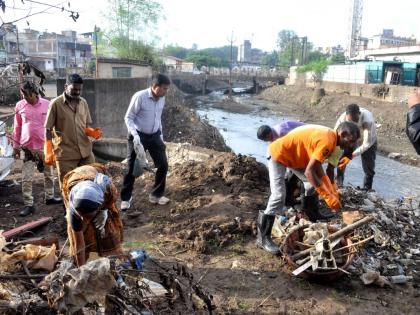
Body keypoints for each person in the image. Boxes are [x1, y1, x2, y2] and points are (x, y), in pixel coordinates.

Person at [257, 122, 360, 254]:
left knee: (311, 185)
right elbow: (310, 172)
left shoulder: (337, 144)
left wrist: (333, 191)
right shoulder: (327, 141)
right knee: (278, 195)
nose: (352, 145)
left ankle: (311, 213)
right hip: (278, 154)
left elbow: (323, 170)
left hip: (297, 158)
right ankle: (263, 238)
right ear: (343, 134)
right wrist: (327, 196)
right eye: (351, 141)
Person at [120, 74, 171, 210]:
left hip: (154, 136)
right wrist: (135, 135)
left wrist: (161, 136)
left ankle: (156, 195)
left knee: (163, 165)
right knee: (131, 168)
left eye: (167, 89)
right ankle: (125, 198)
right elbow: (128, 117)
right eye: (164, 89)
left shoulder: (161, 98)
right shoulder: (140, 97)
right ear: (155, 87)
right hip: (138, 136)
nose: (166, 92)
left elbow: (158, 118)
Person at [12, 81, 62, 216]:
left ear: (35, 93)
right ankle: (29, 204)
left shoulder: (47, 104)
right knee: (26, 177)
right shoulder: (20, 105)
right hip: (26, 147)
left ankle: (50, 197)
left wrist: (56, 144)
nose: (26, 98)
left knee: (49, 174)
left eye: (28, 95)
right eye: (24, 95)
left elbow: (54, 125)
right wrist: (15, 146)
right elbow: (17, 127)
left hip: (44, 146)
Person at [44, 74, 102, 189]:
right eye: (74, 89)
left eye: (79, 89)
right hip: (65, 154)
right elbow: (48, 129)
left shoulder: (83, 103)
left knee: (90, 181)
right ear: (66, 86)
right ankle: (68, 207)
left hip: (85, 152)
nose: (77, 92)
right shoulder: (55, 104)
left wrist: (92, 132)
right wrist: (48, 150)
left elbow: (85, 125)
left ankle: (86, 206)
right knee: (68, 186)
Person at [62, 164, 123, 267]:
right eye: (83, 216)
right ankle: (80, 261)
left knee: (108, 228)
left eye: (88, 216)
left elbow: (111, 199)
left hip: (94, 179)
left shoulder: (107, 188)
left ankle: (115, 260)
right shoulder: (74, 210)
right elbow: (79, 244)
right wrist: (81, 271)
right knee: (81, 230)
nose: (85, 219)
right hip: (74, 182)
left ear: (98, 206)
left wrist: (104, 210)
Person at [334, 104, 377, 190]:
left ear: (359, 114)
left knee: (368, 167)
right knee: (341, 160)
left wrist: (352, 155)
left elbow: (366, 143)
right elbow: (335, 135)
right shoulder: (343, 118)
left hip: (368, 141)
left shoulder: (367, 120)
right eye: (350, 121)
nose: (353, 122)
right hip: (350, 140)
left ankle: (367, 188)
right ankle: (339, 184)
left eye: (355, 120)